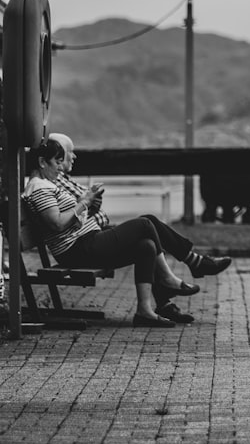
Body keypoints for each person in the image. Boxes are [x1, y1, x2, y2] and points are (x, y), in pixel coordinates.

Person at [22, 138, 231, 328]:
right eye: (56, 162)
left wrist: (87, 202)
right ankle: (174, 275)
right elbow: (56, 223)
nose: (60, 168)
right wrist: (83, 202)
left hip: (86, 241)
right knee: (145, 223)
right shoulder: (39, 188)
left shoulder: (45, 185)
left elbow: (64, 218)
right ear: (42, 162)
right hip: (78, 248)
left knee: (146, 246)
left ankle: (145, 311)